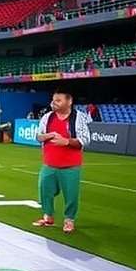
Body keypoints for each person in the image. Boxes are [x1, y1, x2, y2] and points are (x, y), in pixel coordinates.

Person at [32, 88, 91, 234]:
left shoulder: (78, 118)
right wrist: (49, 135)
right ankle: (48, 216)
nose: (54, 103)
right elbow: (38, 136)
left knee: (71, 195)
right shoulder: (47, 117)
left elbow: (85, 140)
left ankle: (69, 220)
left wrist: (66, 141)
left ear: (69, 101)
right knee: (44, 190)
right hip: (49, 164)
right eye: (53, 100)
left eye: (58, 100)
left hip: (70, 166)